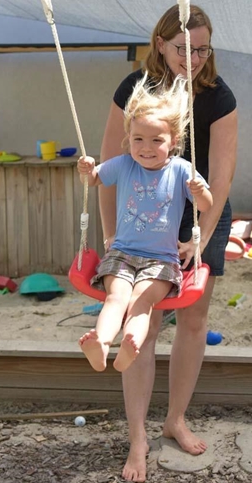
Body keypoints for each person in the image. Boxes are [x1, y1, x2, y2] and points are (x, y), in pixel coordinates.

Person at [99, 5, 237, 482]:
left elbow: (220, 177)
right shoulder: (133, 90)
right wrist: (109, 233)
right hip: (143, 218)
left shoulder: (218, 97)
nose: (193, 57)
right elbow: (108, 171)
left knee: (193, 320)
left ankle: (175, 418)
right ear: (161, 43)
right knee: (146, 322)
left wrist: (197, 238)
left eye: (202, 49)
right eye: (184, 48)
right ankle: (138, 437)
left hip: (200, 217)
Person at [77, 74, 213, 374]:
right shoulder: (124, 164)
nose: (146, 147)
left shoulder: (180, 169)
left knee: (141, 301)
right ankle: (100, 343)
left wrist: (200, 191)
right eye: (138, 139)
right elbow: (94, 180)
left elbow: (206, 206)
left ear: (173, 141)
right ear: (129, 138)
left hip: (161, 261)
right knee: (117, 296)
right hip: (122, 253)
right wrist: (86, 169)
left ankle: (129, 344)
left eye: (156, 140)